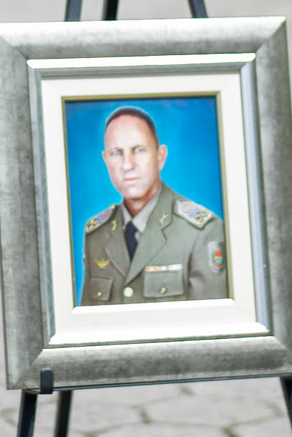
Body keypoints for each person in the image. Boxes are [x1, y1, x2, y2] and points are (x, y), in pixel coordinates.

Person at [78, 106, 228, 306]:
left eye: (138, 150)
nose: (127, 165)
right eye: (116, 153)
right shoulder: (96, 234)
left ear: (160, 156)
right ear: (106, 160)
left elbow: (213, 329)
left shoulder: (201, 232)